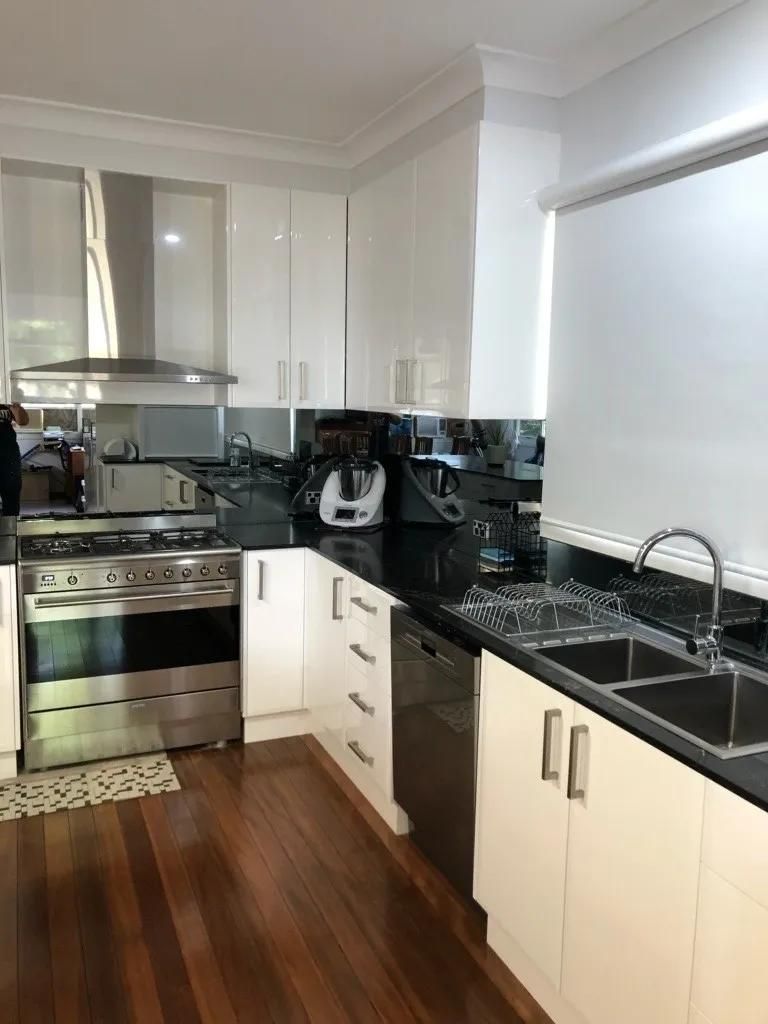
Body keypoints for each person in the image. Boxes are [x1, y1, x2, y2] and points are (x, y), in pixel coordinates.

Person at [0, 402, 29, 516]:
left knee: (11, 497)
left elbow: (23, 421)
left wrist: (14, 406)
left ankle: (11, 525)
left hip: (9, 454)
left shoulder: (6, 398)